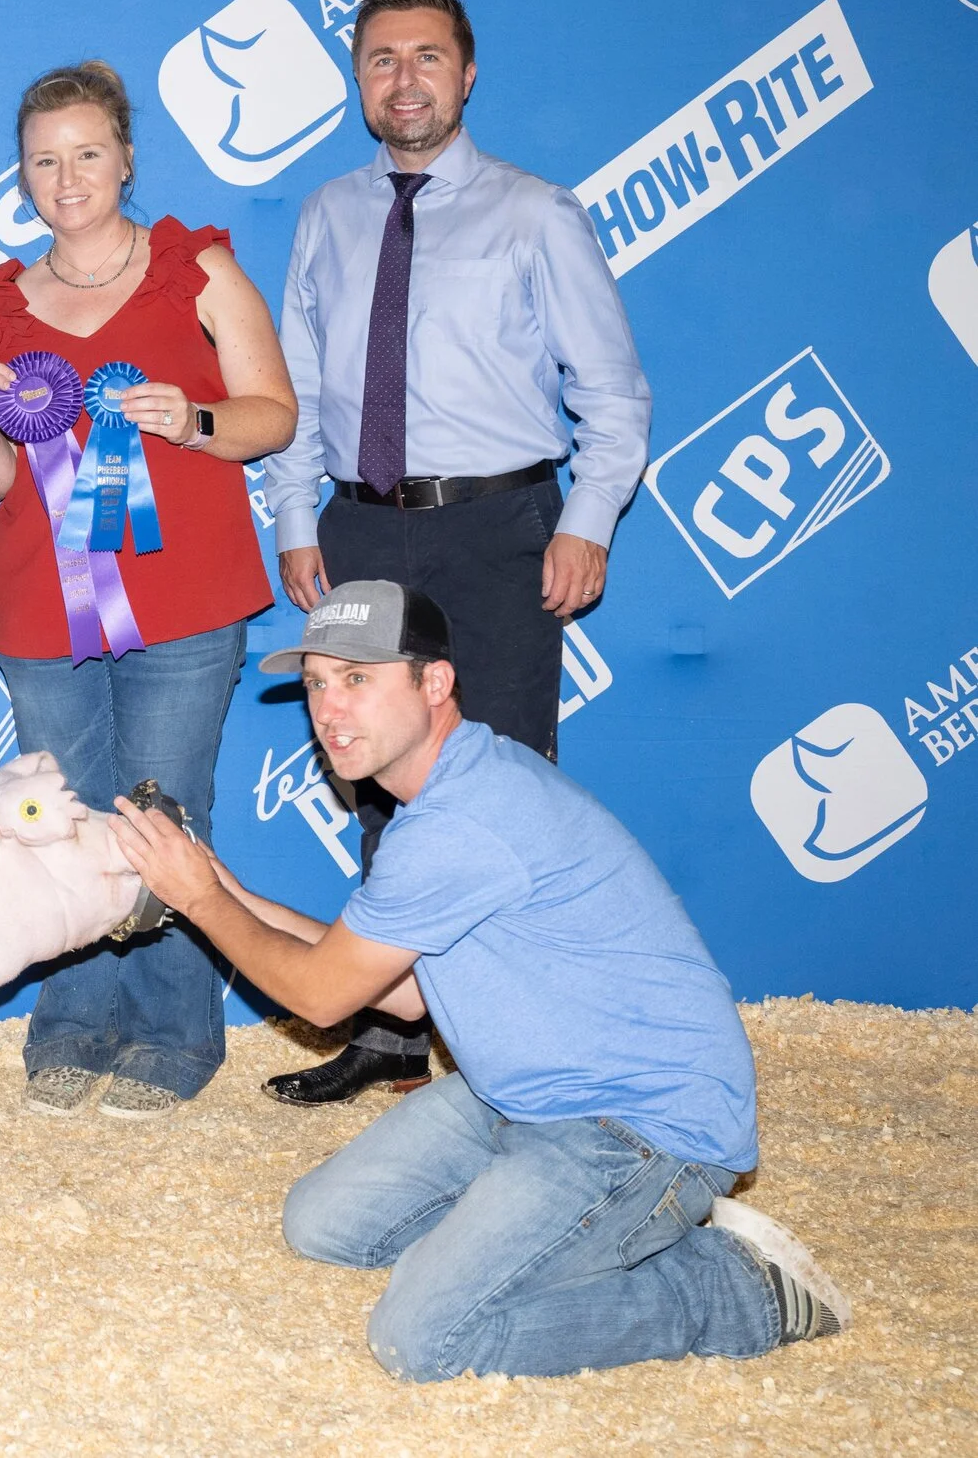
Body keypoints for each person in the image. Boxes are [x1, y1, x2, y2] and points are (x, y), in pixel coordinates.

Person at [111, 580, 847, 1380]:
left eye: (357, 678)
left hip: (642, 1124)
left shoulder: (461, 819)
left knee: (425, 1339)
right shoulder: (448, 794)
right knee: (322, 1225)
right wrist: (223, 886)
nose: (329, 708)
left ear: (435, 682)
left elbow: (322, 996)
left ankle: (731, 1290)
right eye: (317, 683)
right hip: (518, 1093)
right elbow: (396, 993)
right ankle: (536, 1238)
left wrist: (201, 898)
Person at [263, 0, 652, 1106]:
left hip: (498, 526)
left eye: (427, 57)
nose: (405, 80)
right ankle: (392, 1035)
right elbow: (298, 389)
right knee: (374, 773)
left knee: (506, 781)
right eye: (382, 59)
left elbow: (613, 392)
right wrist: (296, 516)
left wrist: (585, 521)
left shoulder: (536, 212)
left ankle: (519, 1046)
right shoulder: (327, 214)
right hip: (359, 519)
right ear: (358, 80)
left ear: (467, 75)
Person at [0, 60, 297, 1120]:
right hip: (42, 602)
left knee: (164, 809)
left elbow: (273, 412)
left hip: (183, 591)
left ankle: (172, 1029)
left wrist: (191, 418)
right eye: (44, 160)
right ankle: (71, 1020)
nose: (67, 178)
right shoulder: (0, 305)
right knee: (58, 813)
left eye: (87, 153)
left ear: (126, 159)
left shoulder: (196, 270)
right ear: (22, 174)